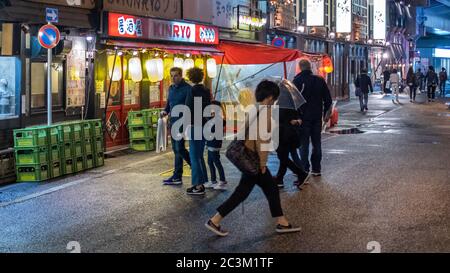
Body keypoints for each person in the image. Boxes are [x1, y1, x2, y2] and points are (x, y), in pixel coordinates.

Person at [205, 80, 301, 237]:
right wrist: (263, 163)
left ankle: (281, 221)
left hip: (247, 156)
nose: (275, 101)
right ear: (270, 97)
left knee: (256, 190)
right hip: (253, 159)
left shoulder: (254, 108)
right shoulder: (266, 112)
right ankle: (215, 220)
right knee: (256, 191)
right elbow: (262, 140)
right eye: (275, 98)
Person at [293, 59, 332, 176]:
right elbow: (328, 100)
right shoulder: (320, 80)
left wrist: (295, 116)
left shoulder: (297, 80)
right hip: (317, 116)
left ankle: (304, 169)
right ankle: (316, 169)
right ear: (310, 67)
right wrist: (326, 114)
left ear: (300, 67)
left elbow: (293, 102)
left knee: (303, 144)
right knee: (316, 142)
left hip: (302, 118)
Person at [160, 67, 191, 185]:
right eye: (171, 76)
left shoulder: (188, 89)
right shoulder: (171, 88)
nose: (173, 78)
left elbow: (190, 106)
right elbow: (169, 105)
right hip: (172, 122)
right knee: (176, 149)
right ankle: (177, 176)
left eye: (176, 75)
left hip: (182, 122)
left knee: (179, 148)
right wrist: (164, 111)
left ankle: (194, 167)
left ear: (181, 76)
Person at [185, 67, 211, 195]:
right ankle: (202, 182)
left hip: (195, 125)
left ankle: (198, 185)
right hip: (205, 125)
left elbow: (188, 108)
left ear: (190, 77)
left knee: (194, 156)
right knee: (199, 155)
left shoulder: (192, 90)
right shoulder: (206, 90)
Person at [273, 108, 310, 189]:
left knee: (283, 157)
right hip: (291, 134)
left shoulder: (282, 105)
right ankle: (279, 179)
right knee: (284, 157)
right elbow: (299, 118)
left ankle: (302, 174)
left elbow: (277, 118)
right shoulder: (292, 105)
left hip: (283, 135)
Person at [204, 100, 228, 191]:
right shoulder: (213, 118)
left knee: (216, 162)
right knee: (210, 162)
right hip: (210, 143)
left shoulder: (218, 119)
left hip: (214, 144)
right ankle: (213, 181)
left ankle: (222, 181)